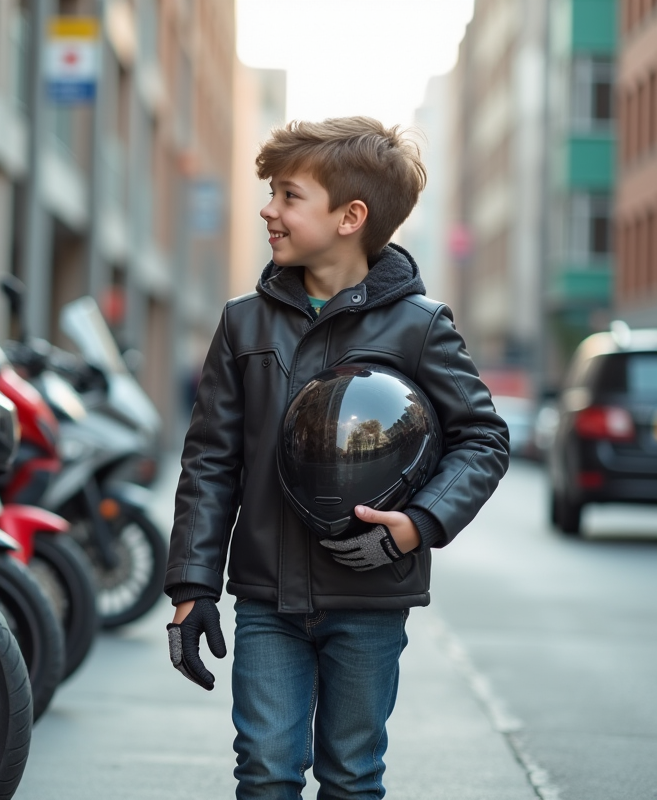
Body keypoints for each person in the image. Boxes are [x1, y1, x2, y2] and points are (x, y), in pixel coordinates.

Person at [164, 116, 510, 800]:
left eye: (289, 196)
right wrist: (190, 588)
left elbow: (483, 438)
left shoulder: (420, 326)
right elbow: (210, 462)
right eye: (271, 193)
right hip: (266, 598)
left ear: (350, 216)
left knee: (352, 776)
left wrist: (418, 523)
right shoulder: (244, 323)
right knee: (264, 772)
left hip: (371, 598)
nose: (268, 209)